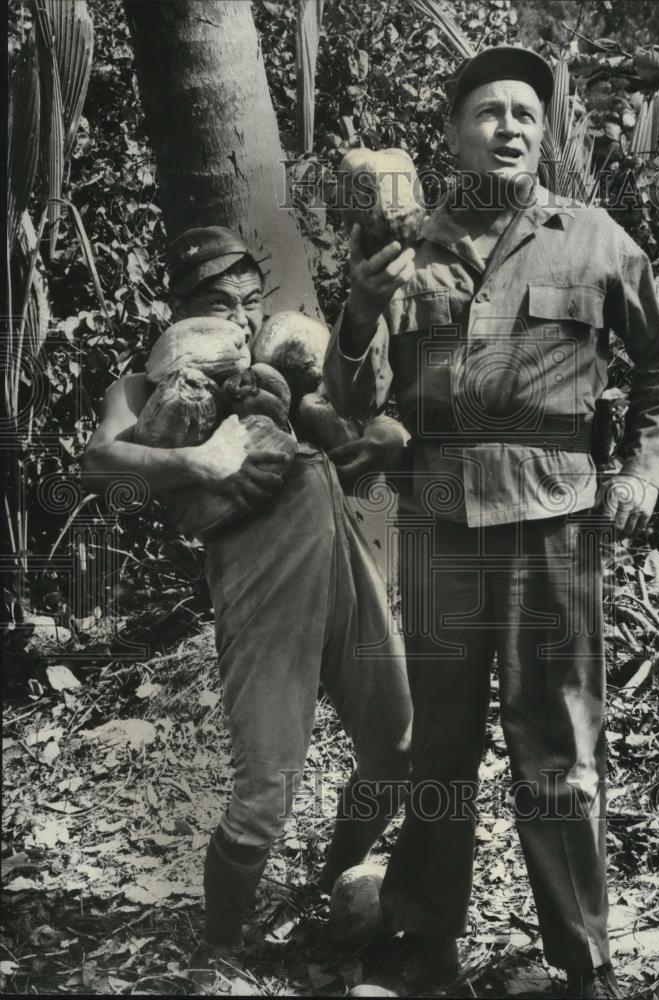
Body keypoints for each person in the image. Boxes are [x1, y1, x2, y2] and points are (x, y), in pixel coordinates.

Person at [323, 46, 659, 999]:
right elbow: (350, 399)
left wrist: (645, 470)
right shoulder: (408, 250)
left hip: (554, 517)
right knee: (439, 742)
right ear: (454, 133)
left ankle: (584, 961)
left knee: (558, 745)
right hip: (440, 516)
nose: (512, 126)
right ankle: (421, 942)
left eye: (527, 112)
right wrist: (360, 310)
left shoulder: (594, 237)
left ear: (543, 132)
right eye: (489, 110)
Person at [80, 226, 413, 977]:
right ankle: (223, 946)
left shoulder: (285, 360)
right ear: (180, 308)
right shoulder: (150, 386)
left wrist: (384, 436)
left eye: (249, 301)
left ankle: (333, 885)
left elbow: (366, 414)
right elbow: (101, 460)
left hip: (347, 557)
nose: (237, 316)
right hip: (263, 583)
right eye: (217, 302)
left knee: (396, 753)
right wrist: (197, 457)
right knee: (266, 792)